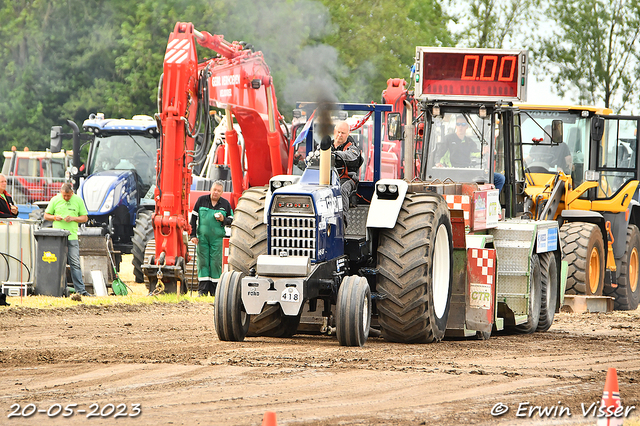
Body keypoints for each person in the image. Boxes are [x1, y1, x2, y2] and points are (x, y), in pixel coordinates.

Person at [43, 183, 91, 296]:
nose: (66, 198)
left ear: (72, 193)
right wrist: (55, 217)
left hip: (72, 237)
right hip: (57, 238)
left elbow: (84, 218)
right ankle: (61, 289)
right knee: (58, 264)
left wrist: (73, 218)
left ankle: (81, 290)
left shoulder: (78, 200)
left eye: (68, 196)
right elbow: (46, 215)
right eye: (64, 195)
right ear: (61, 192)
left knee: (75, 263)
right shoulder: (55, 200)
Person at [189, 180, 233, 296]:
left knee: (215, 263)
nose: (216, 192)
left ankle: (215, 291)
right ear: (211, 190)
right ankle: (202, 291)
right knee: (203, 262)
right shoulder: (201, 200)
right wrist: (192, 235)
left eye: (219, 191)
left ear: (222, 192)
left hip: (217, 239)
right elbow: (193, 219)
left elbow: (232, 220)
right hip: (202, 238)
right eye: (214, 190)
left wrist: (224, 219)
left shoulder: (225, 204)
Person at [332, 121, 363, 214]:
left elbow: (351, 156)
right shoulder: (325, 146)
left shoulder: (352, 148)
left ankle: (343, 218)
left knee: (341, 189)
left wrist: (334, 155)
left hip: (347, 179)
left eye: (343, 133)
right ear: (334, 131)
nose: (340, 135)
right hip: (328, 178)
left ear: (348, 134)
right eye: (338, 132)